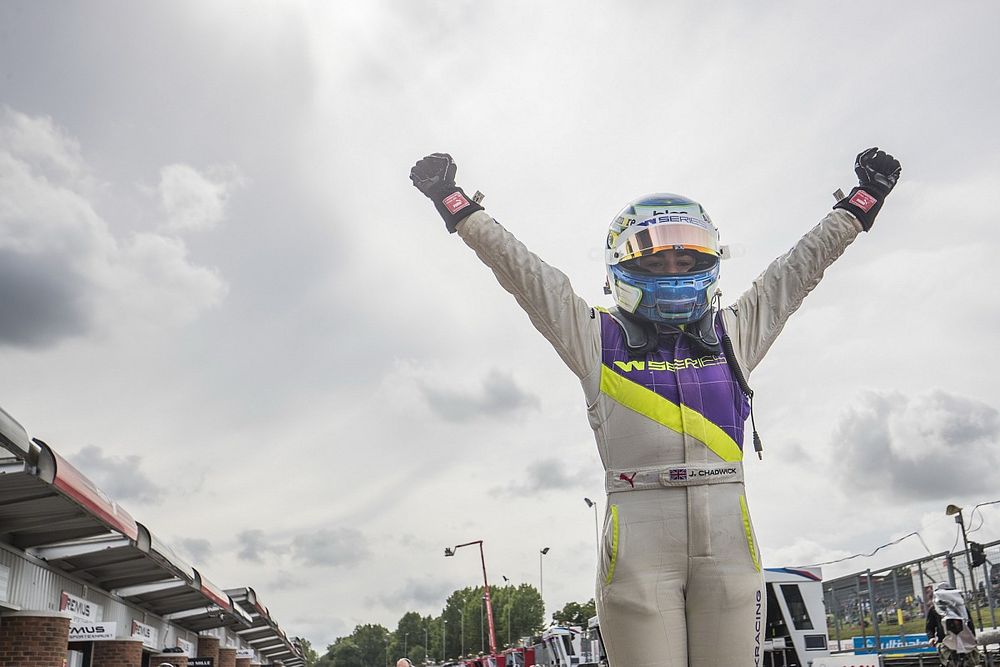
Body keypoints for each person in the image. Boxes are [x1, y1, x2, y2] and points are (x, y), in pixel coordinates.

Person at [410, 148, 901, 666]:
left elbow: (800, 269)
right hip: (639, 545)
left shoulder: (734, 333)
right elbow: (525, 274)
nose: (673, 269)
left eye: (686, 259)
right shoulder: (594, 337)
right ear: (625, 266)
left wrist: (859, 204)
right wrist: (456, 203)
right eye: (656, 259)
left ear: (707, 263)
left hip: (729, 542)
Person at [926, 583, 981, 666]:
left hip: (963, 640)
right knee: (950, 662)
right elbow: (929, 627)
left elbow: (969, 623)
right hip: (945, 642)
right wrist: (931, 638)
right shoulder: (934, 609)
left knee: (969, 662)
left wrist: (973, 637)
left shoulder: (960, 607)